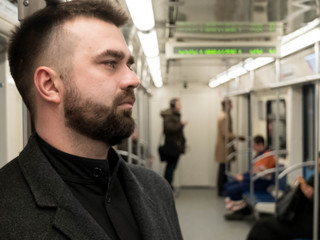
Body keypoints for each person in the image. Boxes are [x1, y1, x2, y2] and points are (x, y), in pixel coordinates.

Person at [0, 1, 183, 239]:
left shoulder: (156, 189)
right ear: (50, 85)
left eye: (128, 64)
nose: (133, 79)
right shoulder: (7, 211)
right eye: (109, 63)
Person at [247, 157, 320, 240]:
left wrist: (312, 197)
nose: (318, 169)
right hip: (300, 217)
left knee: (263, 228)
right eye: (317, 166)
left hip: (312, 223)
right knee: (260, 225)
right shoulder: (315, 178)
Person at [224, 135, 276, 220]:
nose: (253, 147)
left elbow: (260, 175)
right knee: (228, 185)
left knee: (233, 189)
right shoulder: (259, 155)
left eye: (254, 145)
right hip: (254, 180)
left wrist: (244, 178)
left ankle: (239, 212)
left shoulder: (267, 156)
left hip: (261, 183)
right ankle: (242, 209)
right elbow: (253, 172)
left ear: (260, 145)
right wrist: (243, 176)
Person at [215, 97, 245, 196]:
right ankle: (222, 189)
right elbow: (225, 134)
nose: (232, 107)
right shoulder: (224, 117)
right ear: (226, 106)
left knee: (224, 168)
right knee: (223, 169)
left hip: (224, 146)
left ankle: (223, 188)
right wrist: (238, 137)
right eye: (230, 105)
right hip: (224, 147)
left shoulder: (223, 116)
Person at [160, 98, 186, 189]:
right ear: (173, 105)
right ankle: (167, 186)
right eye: (178, 104)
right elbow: (169, 129)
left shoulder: (175, 115)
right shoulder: (169, 115)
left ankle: (168, 185)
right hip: (171, 146)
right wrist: (181, 125)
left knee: (172, 167)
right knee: (170, 168)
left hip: (176, 145)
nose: (180, 106)